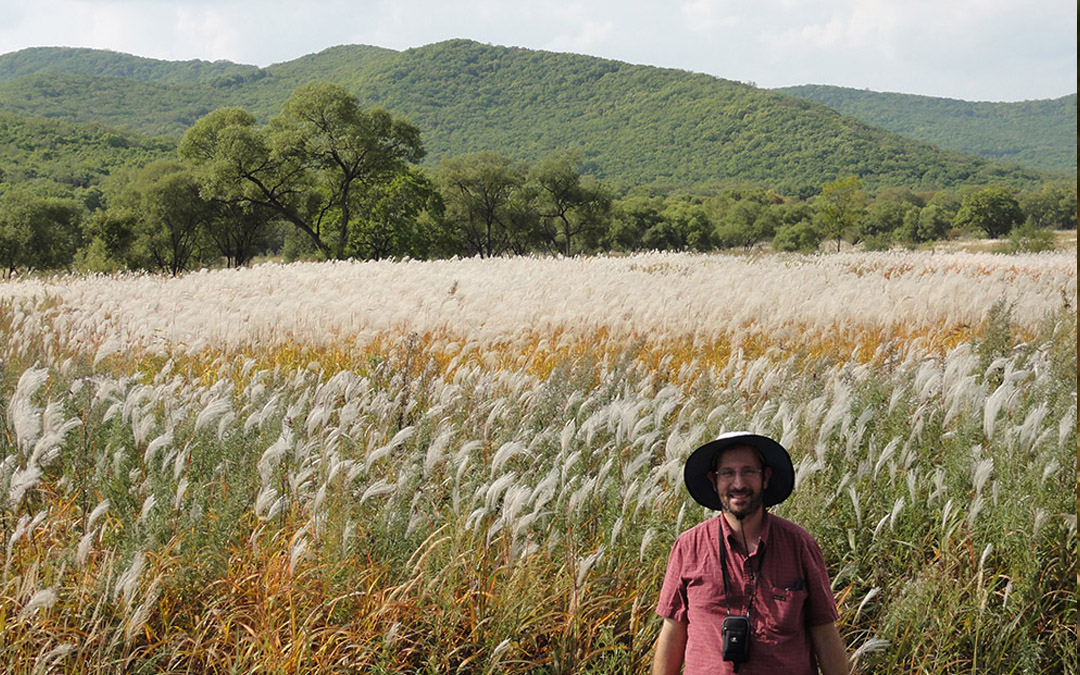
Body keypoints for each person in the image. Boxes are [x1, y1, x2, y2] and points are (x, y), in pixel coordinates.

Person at [653, 431, 849, 675]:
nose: (738, 484)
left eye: (748, 471)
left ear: (765, 478)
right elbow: (672, 632)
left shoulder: (799, 545)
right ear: (713, 481)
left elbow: (824, 633)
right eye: (727, 473)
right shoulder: (688, 546)